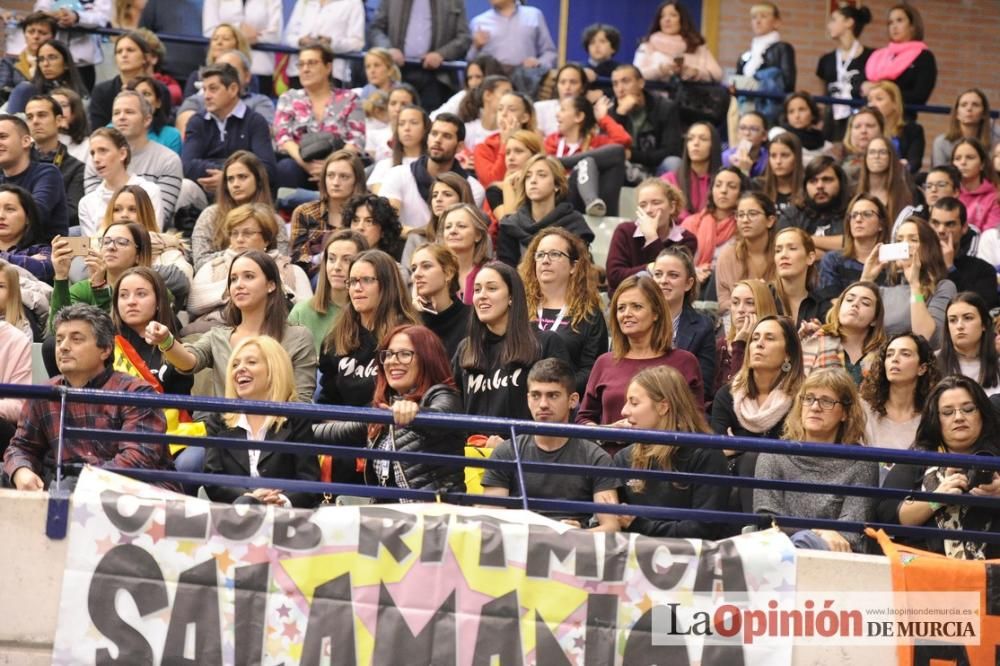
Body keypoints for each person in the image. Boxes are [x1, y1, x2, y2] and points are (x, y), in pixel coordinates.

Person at [4, 304, 174, 491]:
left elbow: (138, 460)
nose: (63, 347)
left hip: (134, 497)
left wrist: (79, 481)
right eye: (59, 340)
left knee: (67, 484)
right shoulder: (44, 393)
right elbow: (21, 446)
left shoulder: (137, 393)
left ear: (106, 350)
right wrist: (21, 470)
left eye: (76, 340)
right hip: (66, 488)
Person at [146, 250, 317, 406]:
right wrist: (166, 340)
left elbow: (302, 398)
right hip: (226, 431)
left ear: (271, 285)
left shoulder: (298, 337)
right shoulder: (219, 336)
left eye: (249, 276)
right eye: (233, 279)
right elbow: (189, 362)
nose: (238, 285)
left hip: (281, 431)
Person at [314, 324, 466, 497]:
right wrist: (287, 428)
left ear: (428, 358)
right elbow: (331, 433)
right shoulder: (386, 407)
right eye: (388, 354)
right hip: (389, 517)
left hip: (434, 516)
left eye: (405, 354)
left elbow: (443, 416)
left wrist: (417, 413)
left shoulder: (442, 394)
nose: (393, 361)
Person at [482, 358, 620, 530]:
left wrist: (579, 535)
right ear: (527, 399)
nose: (543, 404)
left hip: (574, 551)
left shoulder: (596, 457)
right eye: (536, 395)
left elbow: (612, 527)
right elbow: (490, 521)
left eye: (553, 395)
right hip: (518, 546)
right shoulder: (506, 451)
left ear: (573, 400)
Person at [754, 368, 877, 551]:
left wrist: (813, 536)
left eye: (826, 401)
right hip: (779, 551)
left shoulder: (862, 463)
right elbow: (767, 520)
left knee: (805, 540)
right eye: (808, 398)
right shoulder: (773, 455)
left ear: (845, 413)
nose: (815, 407)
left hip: (838, 557)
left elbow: (852, 530)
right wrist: (819, 532)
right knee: (803, 540)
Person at [877, 375, 1000, 559]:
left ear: (982, 414)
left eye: (968, 409)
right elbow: (888, 517)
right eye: (948, 412)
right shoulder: (917, 459)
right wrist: (935, 500)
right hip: (927, 568)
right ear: (936, 419)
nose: (959, 417)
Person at [204, 336, 320, 508]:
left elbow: (309, 481)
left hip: (284, 519)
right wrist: (248, 497)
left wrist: (283, 501)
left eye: (251, 362)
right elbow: (213, 479)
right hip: (234, 516)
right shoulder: (218, 419)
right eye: (235, 365)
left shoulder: (297, 418)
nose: (240, 369)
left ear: (274, 369)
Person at [612, 364, 727, 537]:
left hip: (691, 558)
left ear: (663, 407)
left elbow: (704, 529)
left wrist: (640, 526)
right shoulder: (623, 458)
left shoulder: (706, 454)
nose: (624, 411)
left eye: (634, 403)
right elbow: (613, 521)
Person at [579, 275, 703, 428]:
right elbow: (583, 419)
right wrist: (609, 431)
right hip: (610, 449)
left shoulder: (685, 362)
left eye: (636, 307)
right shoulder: (604, 362)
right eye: (621, 308)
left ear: (656, 313)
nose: (627, 314)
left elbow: (695, 422)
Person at [452, 261, 568, 421]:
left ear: (511, 297)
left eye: (492, 288)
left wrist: (508, 446)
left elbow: (557, 409)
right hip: (472, 445)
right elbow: (454, 406)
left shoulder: (545, 342)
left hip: (522, 444)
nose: (482, 296)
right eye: (477, 290)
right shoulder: (465, 348)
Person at [712, 315, 804, 512]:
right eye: (755, 338)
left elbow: (797, 451)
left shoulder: (801, 398)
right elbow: (715, 451)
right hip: (732, 477)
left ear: (788, 353)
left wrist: (737, 445)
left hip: (786, 478)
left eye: (769, 338)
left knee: (754, 458)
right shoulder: (727, 395)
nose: (759, 344)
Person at [186, 204, 311, 334]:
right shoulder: (213, 266)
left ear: (267, 239)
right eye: (234, 233)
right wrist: (232, 288)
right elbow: (192, 305)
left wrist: (281, 287)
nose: (239, 239)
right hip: (216, 331)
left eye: (247, 233)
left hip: (275, 333)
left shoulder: (290, 270)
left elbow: (309, 312)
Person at [318, 249, 419, 408]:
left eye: (366, 280)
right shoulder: (335, 337)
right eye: (352, 281)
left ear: (387, 285)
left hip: (391, 426)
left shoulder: (409, 336)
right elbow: (328, 401)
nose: (357, 288)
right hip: (343, 427)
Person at [518, 227, 607, 396]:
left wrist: (558, 388)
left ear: (574, 266)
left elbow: (592, 370)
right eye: (540, 254)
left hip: (567, 402)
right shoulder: (518, 307)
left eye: (554, 254)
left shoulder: (589, 314)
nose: (545, 260)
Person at [272, 42, 365, 190]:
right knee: (285, 168)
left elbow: (356, 139)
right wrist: (306, 164)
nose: (305, 69)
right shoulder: (289, 98)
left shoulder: (350, 98)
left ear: (328, 67)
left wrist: (331, 167)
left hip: (339, 165)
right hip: (300, 164)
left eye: (312, 63)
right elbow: (283, 137)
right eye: (301, 65)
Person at [83, 91, 183, 226]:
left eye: (129, 112)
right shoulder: (95, 160)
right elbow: (93, 208)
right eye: (116, 113)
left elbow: (158, 216)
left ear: (147, 119)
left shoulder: (168, 160)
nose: (121, 117)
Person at [181, 63, 277, 197]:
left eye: (213, 89)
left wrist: (228, 178)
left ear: (233, 89)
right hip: (206, 193)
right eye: (204, 90)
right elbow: (187, 165)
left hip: (247, 197)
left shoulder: (255, 121)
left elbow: (268, 169)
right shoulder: (197, 121)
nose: (206, 96)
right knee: (185, 188)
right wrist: (234, 173)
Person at [861, 216, 956, 348]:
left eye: (913, 240)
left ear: (928, 248)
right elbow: (852, 326)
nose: (904, 245)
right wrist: (866, 279)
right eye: (899, 240)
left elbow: (929, 338)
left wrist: (915, 286)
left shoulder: (943, 287)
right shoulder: (882, 290)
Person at [380, 114, 485, 230]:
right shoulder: (397, 174)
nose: (438, 140)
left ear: (460, 147)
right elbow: (387, 223)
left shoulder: (472, 188)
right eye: (434, 134)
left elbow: (460, 230)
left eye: (447, 136)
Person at [47, 220, 154, 335]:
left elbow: (116, 337)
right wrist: (61, 276)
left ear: (139, 255)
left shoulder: (154, 289)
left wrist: (100, 289)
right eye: (106, 242)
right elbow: (57, 333)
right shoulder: (83, 289)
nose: (111, 247)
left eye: (122, 242)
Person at [190, 150, 286, 271]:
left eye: (242, 177)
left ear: (258, 180)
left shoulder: (275, 220)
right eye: (230, 179)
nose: (235, 184)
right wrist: (233, 253)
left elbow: (283, 262)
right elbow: (200, 263)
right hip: (217, 281)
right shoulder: (210, 215)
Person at [369, 0, 471, 112]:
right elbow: (376, 29)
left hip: (436, 76)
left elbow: (464, 37)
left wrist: (442, 54)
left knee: (431, 121)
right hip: (397, 73)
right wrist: (388, 50)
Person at [543, 94, 630, 217]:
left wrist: (603, 118)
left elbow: (622, 142)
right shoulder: (551, 141)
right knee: (587, 161)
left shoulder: (596, 142)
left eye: (563, 110)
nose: (557, 114)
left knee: (595, 158)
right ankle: (592, 201)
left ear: (579, 116)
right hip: (559, 196)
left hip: (584, 200)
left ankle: (594, 205)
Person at [605, 177, 697, 294]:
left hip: (667, 305)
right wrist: (649, 268)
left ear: (672, 207)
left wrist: (652, 238)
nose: (648, 210)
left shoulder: (687, 239)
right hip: (627, 303)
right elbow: (614, 277)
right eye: (643, 205)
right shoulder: (624, 231)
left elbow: (669, 278)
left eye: (656, 203)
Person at [497, 155, 591, 266]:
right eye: (528, 176)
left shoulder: (574, 223)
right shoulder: (511, 225)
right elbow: (506, 274)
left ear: (557, 185)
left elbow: (581, 269)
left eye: (541, 175)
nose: (533, 181)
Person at [651, 246, 715, 403]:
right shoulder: (636, 318)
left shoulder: (703, 327)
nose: (663, 280)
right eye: (658, 274)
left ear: (688, 283)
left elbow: (702, 387)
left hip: (679, 409)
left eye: (673, 275)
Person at [287, 150, 366, 277]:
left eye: (344, 177)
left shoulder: (365, 215)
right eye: (330, 175)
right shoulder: (305, 212)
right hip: (315, 276)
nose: (335, 182)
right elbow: (297, 258)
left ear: (356, 181)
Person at [289, 230, 368, 355]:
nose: (336, 267)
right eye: (331, 259)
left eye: (347, 260)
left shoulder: (369, 313)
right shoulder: (302, 312)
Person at [78, 126, 163, 236]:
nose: (96, 159)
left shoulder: (150, 191)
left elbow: (155, 236)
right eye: (93, 153)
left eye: (103, 151)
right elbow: (90, 249)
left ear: (122, 153)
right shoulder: (87, 203)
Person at [860, 333, 937, 453]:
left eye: (905, 354)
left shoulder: (931, 417)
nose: (895, 359)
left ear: (922, 368)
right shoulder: (862, 408)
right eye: (889, 354)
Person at [174, 49, 277, 137]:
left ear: (247, 76)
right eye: (219, 70)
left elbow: (261, 135)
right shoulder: (196, 101)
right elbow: (187, 132)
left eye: (231, 71)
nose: (224, 76)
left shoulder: (260, 102)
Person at [467, 0, 557, 97]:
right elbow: (470, 62)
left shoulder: (534, 16)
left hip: (525, 82)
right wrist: (476, 47)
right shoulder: (478, 22)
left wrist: (538, 63)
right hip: (492, 84)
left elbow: (550, 53)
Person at [609, 64, 683, 182]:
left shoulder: (664, 108)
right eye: (615, 84)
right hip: (625, 169)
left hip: (657, 167)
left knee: (674, 163)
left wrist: (632, 155)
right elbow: (608, 151)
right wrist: (620, 115)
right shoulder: (612, 111)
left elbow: (672, 150)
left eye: (625, 81)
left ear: (641, 83)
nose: (620, 89)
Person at [0, 114, 68, 242]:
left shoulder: (48, 173)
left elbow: (35, 214)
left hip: (43, 255)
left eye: (3, 136)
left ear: (25, 141)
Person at [801, 281, 885, 382]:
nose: (855, 304)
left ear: (874, 319)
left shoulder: (884, 353)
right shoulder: (816, 340)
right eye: (849, 300)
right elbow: (798, 386)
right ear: (838, 308)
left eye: (865, 303)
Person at [87, 31, 169, 130]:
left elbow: (162, 124)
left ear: (145, 57)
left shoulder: (160, 89)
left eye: (130, 50)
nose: (124, 55)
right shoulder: (102, 91)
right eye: (119, 51)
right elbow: (98, 130)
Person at [24, 95, 83, 229]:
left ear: (58, 121)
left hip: (51, 235)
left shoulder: (76, 167)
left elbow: (73, 211)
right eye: (29, 117)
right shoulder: (18, 162)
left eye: (42, 115)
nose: (35, 121)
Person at [816, 4, 873, 141]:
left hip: (859, 121)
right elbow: (823, 94)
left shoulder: (871, 56)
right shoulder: (826, 59)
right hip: (832, 122)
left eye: (834, 20)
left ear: (849, 22)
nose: (829, 25)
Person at [864, 3, 936, 110]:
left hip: (903, 118)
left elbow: (920, 96)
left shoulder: (924, 57)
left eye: (899, 20)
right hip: (872, 115)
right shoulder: (878, 55)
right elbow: (858, 86)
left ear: (912, 26)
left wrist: (883, 93)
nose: (894, 26)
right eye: (890, 23)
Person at [681, 166, 747, 284]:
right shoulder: (691, 223)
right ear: (711, 190)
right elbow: (678, 261)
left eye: (731, 186)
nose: (723, 190)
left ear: (741, 194)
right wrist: (695, 272)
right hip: (691, 282)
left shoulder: (744, 226)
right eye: (718, 185)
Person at [715, 191, 777, 315]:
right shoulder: (728, 256)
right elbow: (723, 303)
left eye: (752, 214)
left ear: (770, 221)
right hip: (737, 321)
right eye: (740, 215)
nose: (745, 220)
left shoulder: (782, 253)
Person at [929, 197, 997, 310]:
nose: (941, 230)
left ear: (964, 227)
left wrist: (950, 269)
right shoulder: (918, 265)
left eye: (949, 224)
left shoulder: (983, 270)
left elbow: (978, 310)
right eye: (935, 223)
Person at [735, 2, 796, 125]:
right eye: (754, 17)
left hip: (769, 110)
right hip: (744, 110)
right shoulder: (745, 56)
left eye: (763, 16)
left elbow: (788, 84)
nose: (757, 21)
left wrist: (757, 82)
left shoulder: (782, 48)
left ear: (776, 22)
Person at [714, 278, 779, 393]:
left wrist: (740, 345)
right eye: (735, 303)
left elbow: (742, 393)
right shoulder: (720, 345)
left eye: (749, 303)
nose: (740, 310)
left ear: (763, 307)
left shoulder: (774, 346)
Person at [400, 172, 475, 270]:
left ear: (462, 199)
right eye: (434, 195)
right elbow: (407, 277)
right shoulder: (417, 237)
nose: (438, 199)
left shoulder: (477, 234)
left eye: (447, 195)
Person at [633, 0, 722, 82]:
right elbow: (635, 74)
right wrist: (660, 70)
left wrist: (696, 73)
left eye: (673, 15)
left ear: (682, 19)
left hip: (692, 96)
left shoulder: (696, 45)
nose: (667, 20)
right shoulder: (648, 45)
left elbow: (718, 74)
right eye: (662, 16)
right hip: (656, 96)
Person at [409, 243, 470, 361]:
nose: (416, 274)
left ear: (448, 273)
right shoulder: (409, 320)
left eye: (426, 266)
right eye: (413, 269)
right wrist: (417, 316)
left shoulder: (471, 318)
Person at [819, 194, 889, 296]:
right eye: (854, 215)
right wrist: (866, 280)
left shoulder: (891, 263)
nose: (858, 219)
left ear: (881, 224)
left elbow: (913, 299)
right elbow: (830, 307)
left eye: (867, 214)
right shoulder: (833, 260)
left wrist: (916, 290)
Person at [282, 0, 363, 89]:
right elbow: (287, 37)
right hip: (298, 73)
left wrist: (331, 43)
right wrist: (300, 41)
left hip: (334, 75)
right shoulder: (303, 2)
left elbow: (357, 43)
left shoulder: (353, 3)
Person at [201, 0, 282, 85]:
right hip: (221, 68)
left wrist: (257, 38)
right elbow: (209, 31)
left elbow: (276, 35)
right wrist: (239, 31)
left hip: (261, 70)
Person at [778, 156, 849, 252]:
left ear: (840, 183)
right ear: (805, 186)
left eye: (827, 179)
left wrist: (809, 242)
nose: (820, 186)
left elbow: (856, 243)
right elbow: (786, 244)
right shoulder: (792, 214)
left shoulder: (853, 211)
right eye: (813, 181)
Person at [473, 90, 539, 189]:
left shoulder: (535, 143)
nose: (503, 114)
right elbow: (493, 184)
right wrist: (505, 142)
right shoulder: (483, 148)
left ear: (525, 117)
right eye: (500, 109)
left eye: (511, 109)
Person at [938, 292, 1000, 396]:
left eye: (968, 318)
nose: (959, 326)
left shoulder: (997, 362)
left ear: (984, 324)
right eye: (952, 320)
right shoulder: (934, 363)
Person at [4, 38, 87, 114]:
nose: (45, 64)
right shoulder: (26, 90)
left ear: (66, 63)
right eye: (41, 59)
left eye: (52, 58)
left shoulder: (80, 95)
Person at [773, 227, 832, 326]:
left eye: (792, 248)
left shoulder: (822, 307)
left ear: (810, 258)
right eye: (778, 250)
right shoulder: (761, 296)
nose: (783, 255)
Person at [139, 0, 207, 86]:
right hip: (163, 76)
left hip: (202, 76)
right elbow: (142, 37)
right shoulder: (155, 3)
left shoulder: (209, 3)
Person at [665, 122, 723, 219]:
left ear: (714, 145)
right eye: (690, 139)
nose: (695, 143)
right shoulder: (669, 180)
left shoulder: (723, 182)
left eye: (703, 139)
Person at [368, 104, 430, 193]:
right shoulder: (384, 166)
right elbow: (379, 200)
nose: (407, 128)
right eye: (401, 124)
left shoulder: (434, 164)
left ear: (425, 128)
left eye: (414, 122)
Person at [439, 202, 493, 304]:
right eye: (448, 227)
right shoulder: (433, 271)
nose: (453, 231)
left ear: (478, 235)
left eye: (461, 226)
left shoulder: (494, 271)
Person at [932, 89, 1000, 168]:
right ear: (957, 113)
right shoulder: (942, 142)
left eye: (975, 105)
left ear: (984, 113)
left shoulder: (996, 140)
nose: (969, 109)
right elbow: (939, 173)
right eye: (964, 105)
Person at [866, 80, 924, 173]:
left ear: (895, 103)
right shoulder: (865, 129)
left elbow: (914, 163)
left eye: (879, 99)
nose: (872, 105)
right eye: (870, 100)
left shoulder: (913, 130)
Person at [0, 184, 53, 284]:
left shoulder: (41, 250)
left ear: (28, 217)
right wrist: (24, 261)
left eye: (10, 209)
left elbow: (43, 269)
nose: (1, 216)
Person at [856, 135, 913, 227]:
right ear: (866, 158)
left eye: (882, 152)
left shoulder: (904, 193)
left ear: (891, 157)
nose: (876, 156)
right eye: (872, 152)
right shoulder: (853, 192)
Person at [0, 13, 57, 102]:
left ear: (52, 37)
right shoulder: (9, 62)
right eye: (31, 32)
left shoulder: (58, 63)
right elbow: (2, 92)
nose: (36, 37)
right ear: (24, 34)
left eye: (43, 33)